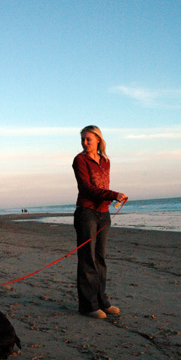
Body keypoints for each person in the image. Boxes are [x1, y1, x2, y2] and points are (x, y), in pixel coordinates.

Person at [72, 125, 127, 319]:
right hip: (86, 213)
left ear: (98, 140)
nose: (85, 142)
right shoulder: (80, 160)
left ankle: (102, 300)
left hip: (103, 214)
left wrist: (112, 199)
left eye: (88, 139)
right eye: (83, 139)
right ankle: (88, 306)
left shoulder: (105, 161)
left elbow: (103, 186)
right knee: (88, 260)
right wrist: (114, 195)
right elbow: (86, 188)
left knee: (100, 259)